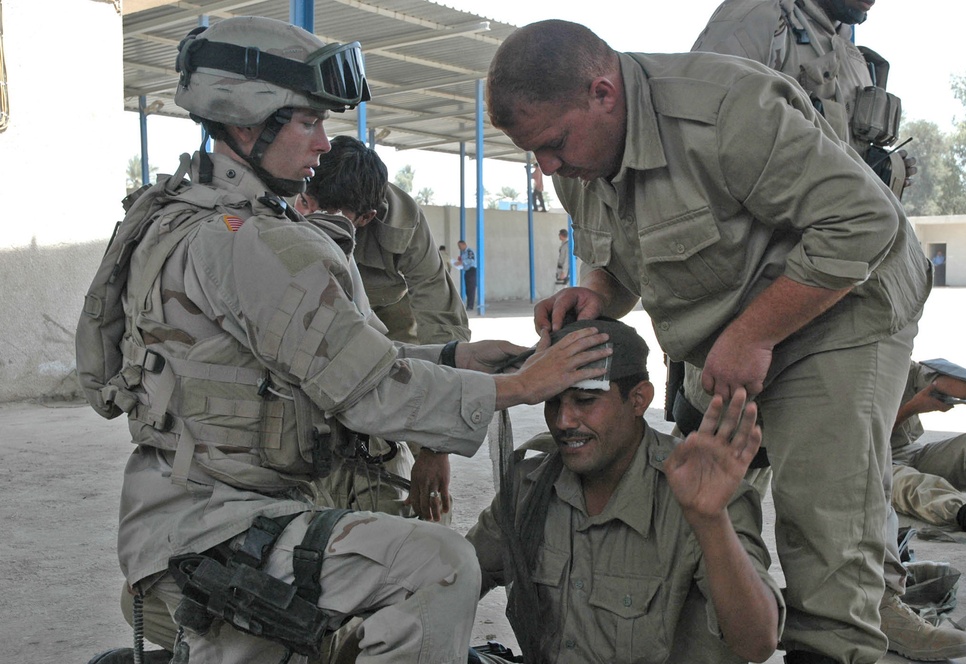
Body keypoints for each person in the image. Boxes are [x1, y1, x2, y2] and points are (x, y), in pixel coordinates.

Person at [80, 16, 614, 664]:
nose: (324, 144)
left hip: (175, 519)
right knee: (437, 566)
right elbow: (369, 393)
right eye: (307, 122)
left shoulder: (176, 216)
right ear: (250, 125)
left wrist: (454, 358)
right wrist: (522, 386)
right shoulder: (252, 244)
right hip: (222, 531)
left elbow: (313, 363)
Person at [486, 19, 935, 664]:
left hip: (846, 307)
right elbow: (626, 262)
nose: (548, 166)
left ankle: (837, 642)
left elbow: (863, 223)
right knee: (700, 486)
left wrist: (753, 334)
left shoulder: (724, 109)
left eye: (554, 143)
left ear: (603, 93)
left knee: (823, 531)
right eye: (536, 152)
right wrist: (597, 293)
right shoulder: (574, 161)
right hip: (733, 324)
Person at [681, 2, 966, 660]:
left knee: (855, 476)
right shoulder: (760, 17)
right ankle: (755, 623)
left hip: (845, 292)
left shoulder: (842, 36)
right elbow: (701, 150)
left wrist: (879, 172)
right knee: (742, 479)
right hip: (769, 298)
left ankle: (872, 606)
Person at [467, 318, 783, 663]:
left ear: (638, 400)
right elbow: (459, 576)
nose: (563, 421)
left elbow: (757, 642)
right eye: (552, 402)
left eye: (585, 400)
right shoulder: (531, 485)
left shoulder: (701, 492)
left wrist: (710, 522)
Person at [296, 135, 469, 522]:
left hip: (389, 329)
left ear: (368, 217)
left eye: (337, 219)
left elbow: (443, 326)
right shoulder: (290, 191)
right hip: (310, 322)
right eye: (311, 209)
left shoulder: (404, 223)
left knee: (409, 495)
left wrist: (435, 448)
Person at [692, 0, 916, 199]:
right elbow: (700, 129)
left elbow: (844, 153)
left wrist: (883, 171)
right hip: (760, 236)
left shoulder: (854, 58)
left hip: (826, 232)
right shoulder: (758, 15)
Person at [891, 359, 966, 545]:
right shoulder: (840, 374)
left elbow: (939, 383)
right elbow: (862, 441)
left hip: (906, 452)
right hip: (864, 462)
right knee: (911, 484)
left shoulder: (894, 357)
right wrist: (913, 407)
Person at [457, 239, 478, 311]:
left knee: (471, 289)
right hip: (467, 271)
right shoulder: (464, 253)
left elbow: (471, 260)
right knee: (468, 289)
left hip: (471, 270)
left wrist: (462, 262)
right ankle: (469, 305)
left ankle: (470, 306)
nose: (459, 248)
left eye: (459, 246)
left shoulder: (469, 251)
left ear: (464, 244)